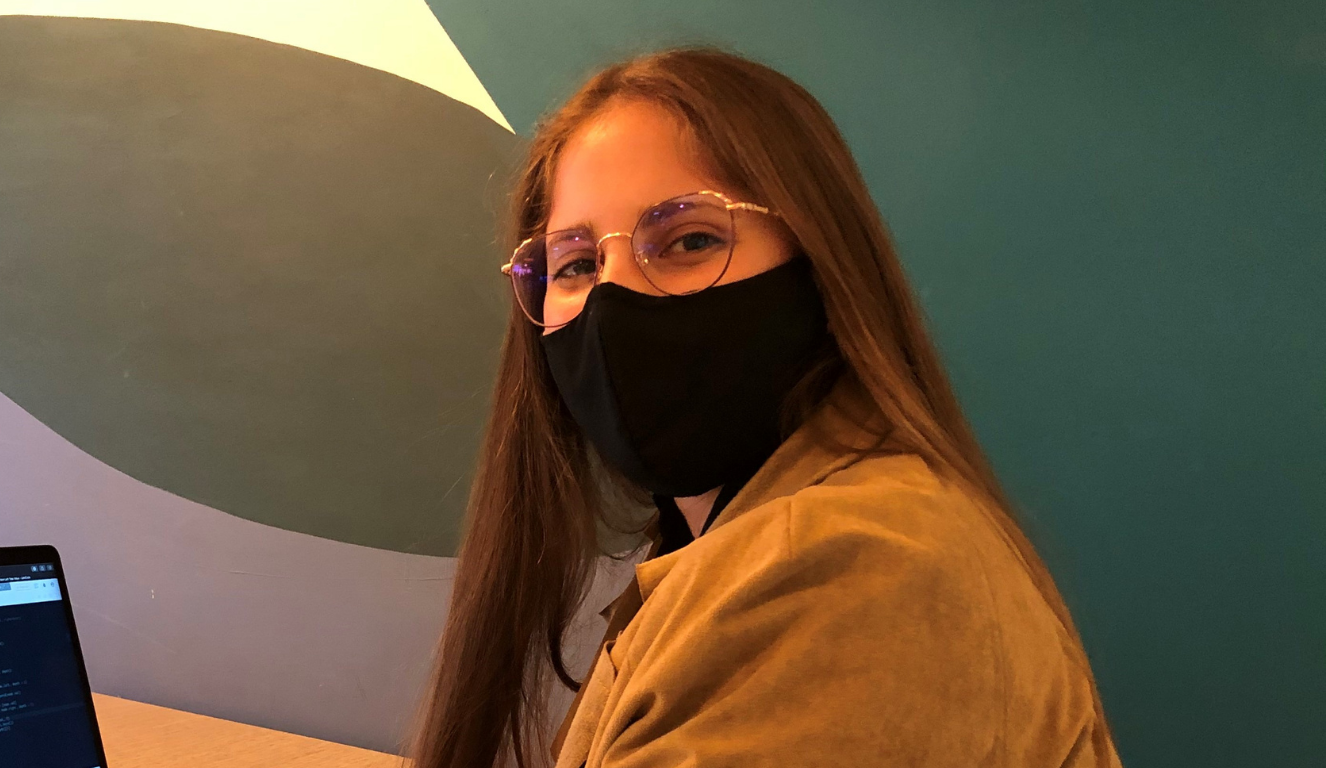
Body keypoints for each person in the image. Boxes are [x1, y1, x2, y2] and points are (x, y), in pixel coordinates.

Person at [409, 48, 1121, 768]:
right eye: (577, 265)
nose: (614, 300)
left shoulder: (849, 567)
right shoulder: (723, 544)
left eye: (690, 239)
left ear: (818, 265)